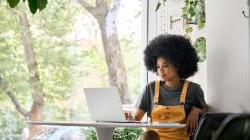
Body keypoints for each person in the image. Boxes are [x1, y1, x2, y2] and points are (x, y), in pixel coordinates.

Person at [133, 34, 208, 140]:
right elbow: (136, 118)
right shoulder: (150, 88)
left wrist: (197, 109)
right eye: (158, 67)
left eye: (166, 65)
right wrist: (128, 119)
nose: (160, 70)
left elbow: (205, 111)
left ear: (178, 64)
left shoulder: (193, 90)